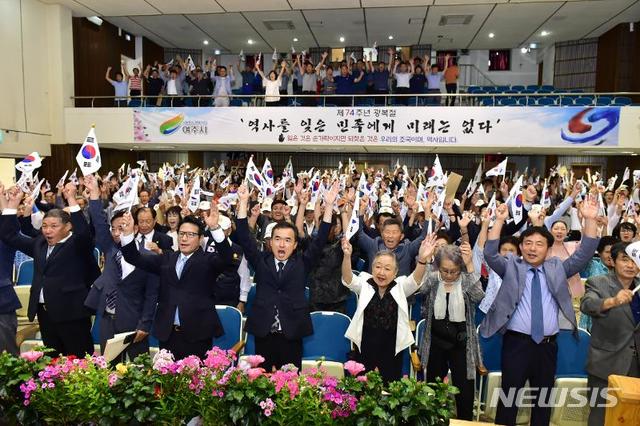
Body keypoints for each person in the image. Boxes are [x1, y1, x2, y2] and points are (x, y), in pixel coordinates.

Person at [481, 197, 600, 426]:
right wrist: (499, 220)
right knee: (509, 402)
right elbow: (490, 254)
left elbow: (584, 253)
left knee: (542, 403)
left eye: (539, 244)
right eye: (528, 243)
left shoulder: (557, 268)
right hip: (517, 345)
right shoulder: (511, 266)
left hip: (547, 346)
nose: (532, 248)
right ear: (521, 246)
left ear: (547, 249)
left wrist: (591, 220)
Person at [234, 181, 340, 371]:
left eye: (287, 240)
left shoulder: (302, 263)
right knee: (261, 380)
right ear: (270, 242)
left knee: (290, 385)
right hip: (264, 331)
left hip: (292, 332)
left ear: (295, 245)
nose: (282, 245)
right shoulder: (261, 261)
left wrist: (330, 206)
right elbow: (243, 236)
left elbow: (322, 237)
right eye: (278, 239)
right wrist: (243, 203)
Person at [0, 184, 100, 357]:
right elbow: (9, 235)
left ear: (68, 227)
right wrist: (12, 205)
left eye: (54, 226)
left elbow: (84, 232)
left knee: (78, 363)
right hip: (45, 314)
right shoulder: (39, 244)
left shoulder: (77, 245)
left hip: (72, 315)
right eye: (45, 226)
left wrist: (71, 199)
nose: (48, 230)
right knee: (52, 364)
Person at [119, 206, 231, 360]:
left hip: (197, 334)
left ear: (200, 239)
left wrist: (214, 228)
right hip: (168, 333)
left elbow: (227, 258)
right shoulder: (167, 258)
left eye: (190, 235)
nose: (184, 238)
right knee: (167, 380)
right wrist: (127, 234)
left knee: (194, 382)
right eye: (182, 234)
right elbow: (134, 258)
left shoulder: (208, 260)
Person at [341, 233, 437, 382]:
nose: (381, 272)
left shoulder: (400, 286)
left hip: (390, 349)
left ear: (395, 272)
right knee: (362, 388)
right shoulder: (365, 283)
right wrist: (347, 256)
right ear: (372, 268)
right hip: (365, 346)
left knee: (389, 389)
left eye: (387, 268)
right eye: (378, 267)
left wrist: (422, 260)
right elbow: (348, 279)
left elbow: (416, 280)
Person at [83, 175, 159, 361]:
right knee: (109, 371)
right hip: (108, 320)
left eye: (124, 227)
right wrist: (94, 194)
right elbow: (100, 224)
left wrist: (145, 324)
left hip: (134, 323)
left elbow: (151, 296)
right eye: (115, 228)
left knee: (138, 374)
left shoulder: (149, 258)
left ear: (134, 229)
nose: (118, 232)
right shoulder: (110, 250)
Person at [420, 243, 484, 420]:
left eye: (454, 271)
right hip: (436, 343)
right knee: (432, 390)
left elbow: (479, 296)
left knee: (464, 393)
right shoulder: (433, 279)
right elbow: (419, 289)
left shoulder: (466, 280)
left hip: (462, 345)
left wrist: (470, 265)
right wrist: (424, 262)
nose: (449, 275)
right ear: (438, 267)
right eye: (445, 270)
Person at [580, 242, 640, 426]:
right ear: (612, 261)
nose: (630, 265)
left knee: (631, 417)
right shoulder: (599, 282)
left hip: (636, 366)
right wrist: (612, 301)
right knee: (600, 418)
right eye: (624, 260)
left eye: (634, 261)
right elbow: (587, 305)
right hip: (606, 364)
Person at [0, 183, 20, 355]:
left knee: (7, 357)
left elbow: (10, 231)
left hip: (2, 304)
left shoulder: (5, 237)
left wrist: (6, 204)